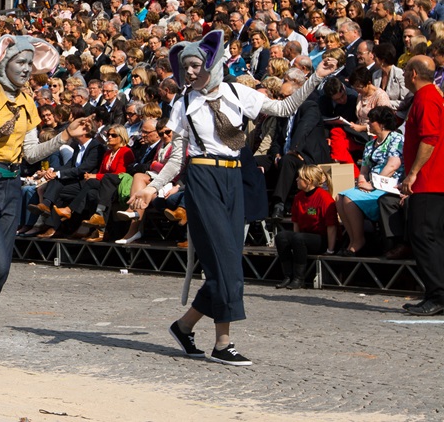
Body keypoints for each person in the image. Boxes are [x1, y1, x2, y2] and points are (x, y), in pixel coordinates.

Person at [135, 29, 337, 365]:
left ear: (212, 65)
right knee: (228, 262)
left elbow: (285, 107)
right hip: (202, 178)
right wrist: (153, 187)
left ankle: (185, 326)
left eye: (196, 65)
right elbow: (176, 157)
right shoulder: (184, 102)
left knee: (224, 263)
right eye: (186, 68)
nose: (190, 73)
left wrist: (316, 76)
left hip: (234, 177)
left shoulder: (238, 92)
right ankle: (222, 343)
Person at [0, 35, 90, 354]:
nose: (26, 69)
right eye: (19, 62)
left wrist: (64, 135)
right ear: (2, 62)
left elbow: (32, 153)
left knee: (3, 268)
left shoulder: (27, 102)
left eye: (29, 63)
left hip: (12, 184)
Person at [400, 56, 444, 316]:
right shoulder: (432, 96)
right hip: (434, 179)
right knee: (433, 237)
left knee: (423, 236)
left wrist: (413, 173)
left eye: (406, 70)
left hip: (429, 180)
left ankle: (437, 294)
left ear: (414, 73)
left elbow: (429, 138)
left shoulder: (426, 98)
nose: (404, 74)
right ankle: (436, 292)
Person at [336, 105, 402, 256]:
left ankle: (359, 241)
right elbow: (364, 168)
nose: (369, 124)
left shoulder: (396, 138)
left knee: (349, 199)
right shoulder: (370, 144)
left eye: (372, 121)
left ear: (382, 123)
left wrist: (372, 185)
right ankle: (353, 240)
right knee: (339, 197)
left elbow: (393, 165)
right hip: (371, 183)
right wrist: (361, 181)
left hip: (387, 184)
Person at [274, 165, 337, 289]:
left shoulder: (324, 197)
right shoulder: (298, 197)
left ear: (309, 181)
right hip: (304, 236)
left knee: (299, 238)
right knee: (281, 237)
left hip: (321, 238)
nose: (296, 180)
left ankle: (299, 278)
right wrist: (293, 240)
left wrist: (330, 250)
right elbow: (296, 222)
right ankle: (288, 276)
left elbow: (332, 226)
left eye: (300, 178)